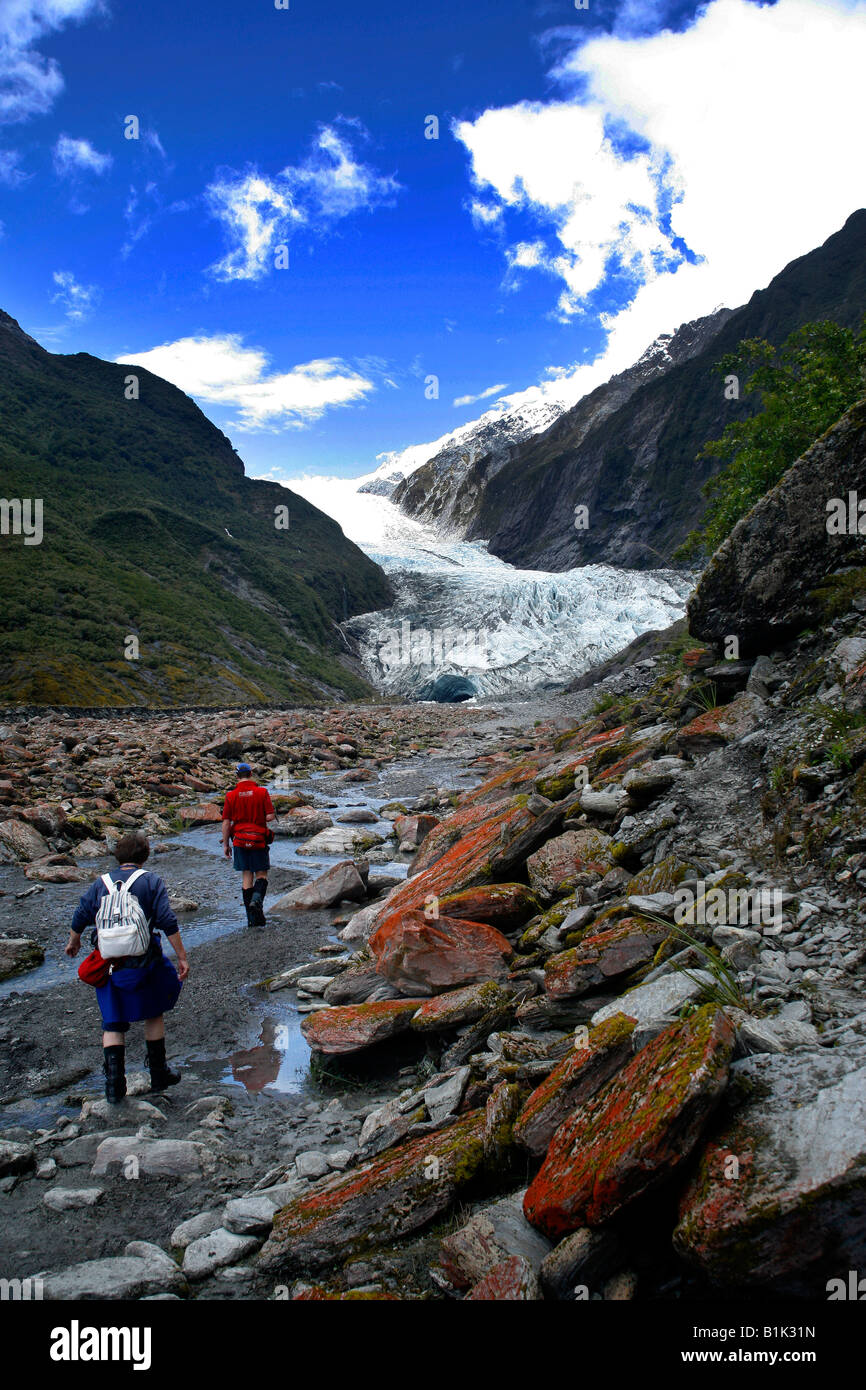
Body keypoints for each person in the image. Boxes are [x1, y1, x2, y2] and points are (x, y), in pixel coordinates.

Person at [65, 830, 189, 1105]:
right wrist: (181, 955)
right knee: (154, 1013)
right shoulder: (151, 881)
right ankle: (158, 1074)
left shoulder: (101, 883)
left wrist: (73, 941)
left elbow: (81, 914)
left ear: (117, 856)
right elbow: (167, 920)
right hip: (145, 960)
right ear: (144, 856)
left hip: (109, 961)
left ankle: (113, 1087)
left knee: (112, 1022)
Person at [222, 762, 275, 927]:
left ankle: (252, 919)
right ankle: (257, 901)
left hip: (239, 840)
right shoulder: (262, 792)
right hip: (258, 839)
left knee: (246, 877)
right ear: (251, 774)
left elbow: (225, 822)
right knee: (262, 875)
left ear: (237, 776)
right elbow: (270, 817)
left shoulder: (230, 796)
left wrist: (225, 844)